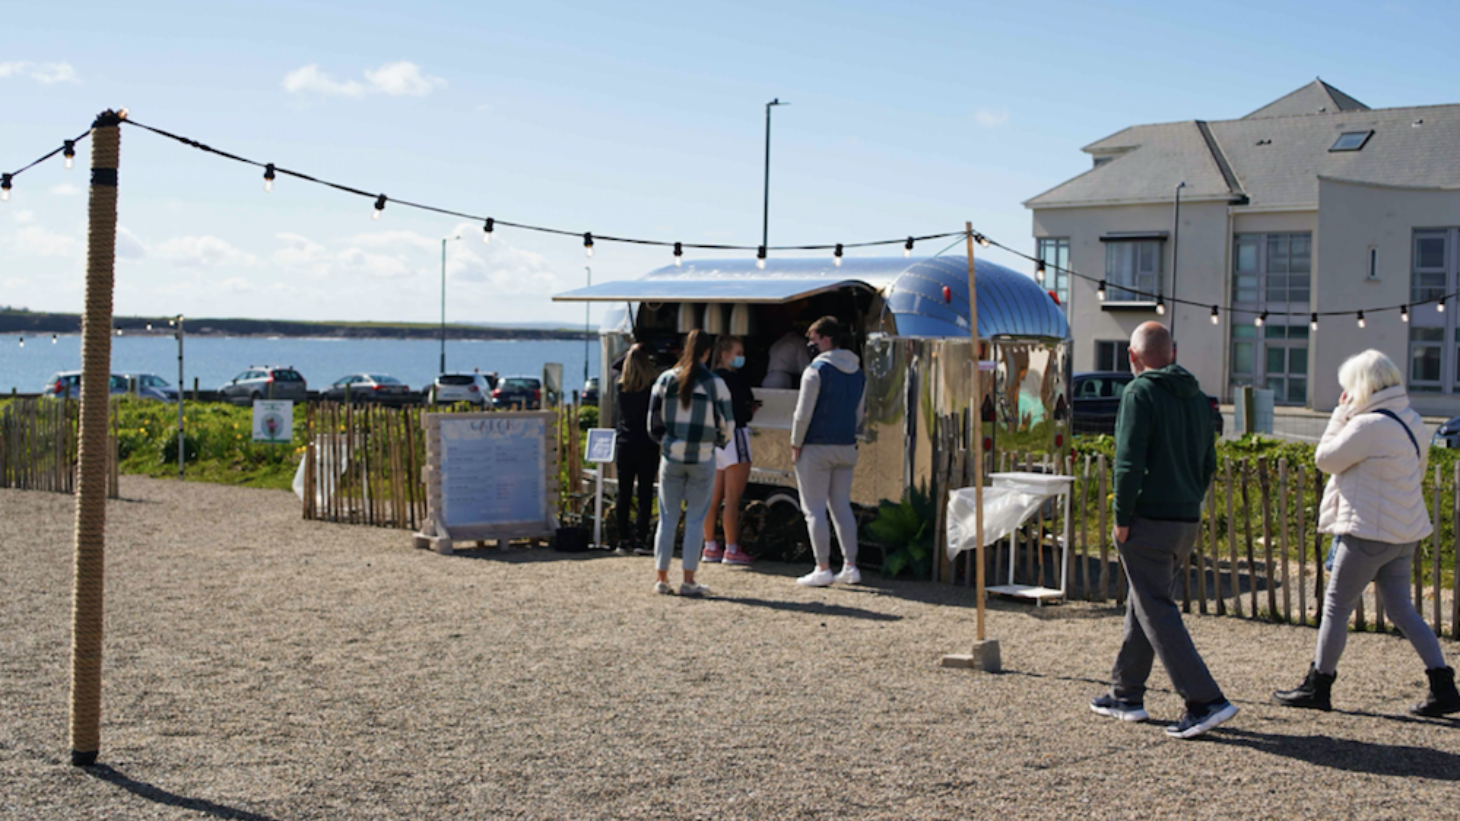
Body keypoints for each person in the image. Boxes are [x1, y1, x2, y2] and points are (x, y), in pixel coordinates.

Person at [1273, 350, 1460, 716]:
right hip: (1403, 533)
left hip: (1367, 534)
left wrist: (1339, 416)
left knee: (1336, 608)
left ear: (1359, 387)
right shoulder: (1411, 420)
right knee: (1402, 610)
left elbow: (1325, 459)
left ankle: (1318, 686)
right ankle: (1444, 687)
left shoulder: (1366, 425)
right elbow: (1418, 473)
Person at [1090, 321, 1237, 739]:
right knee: (1147, 600)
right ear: (1172, 353)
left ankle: (1205, 700)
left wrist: (1121, 518)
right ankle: (1126, 694)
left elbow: (1128, 462)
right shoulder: (1197, 398)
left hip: (1148, 519)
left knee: (1156, 607)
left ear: (1132, 357)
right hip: (1185, 517)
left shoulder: (1139, 392)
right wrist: (1190, 497)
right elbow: (1209, 460)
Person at [648, 329, 735, 597]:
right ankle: (688, 579)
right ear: (708, 352)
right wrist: (715, 443)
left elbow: (652, 423)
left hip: (672, 456)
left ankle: (662, 579)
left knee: (667, 518)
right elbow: (728, 426)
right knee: (696, 519)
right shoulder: (715, 383)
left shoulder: (665, 379)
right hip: (702, 456)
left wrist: (667, 443)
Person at [790, 316, 866, 587]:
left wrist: (796, 443)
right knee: (841, 506)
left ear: (826, 339)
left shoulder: (815, 371)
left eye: (813, 338)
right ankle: (850, 566)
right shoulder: (858, 372)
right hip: (846, 446)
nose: (810, 343)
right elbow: (859, 414)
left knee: (814, 509)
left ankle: (822, 567)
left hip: (816, 446)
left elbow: (803, 414)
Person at [703, 336, 759, 566]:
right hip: (736, 435)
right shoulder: (736, 380)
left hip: (713, 438)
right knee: (733, 499)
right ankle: (732, 548)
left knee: (712, 498)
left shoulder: (708, 378)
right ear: (725, 355)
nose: (740, 357)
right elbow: (743, 410)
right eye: (737, 353)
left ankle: (710, 546)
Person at [614, 344, 659, 557]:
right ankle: (642, 538)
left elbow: (616, 365)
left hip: (625, 442)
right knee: (645, 492)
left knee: (623, 492)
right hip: (647, 442)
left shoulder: (621, 386)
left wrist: (631, 352)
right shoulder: (652, 388)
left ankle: (623, 538)